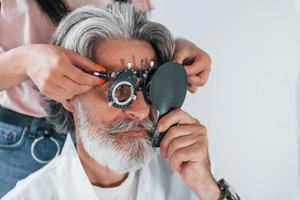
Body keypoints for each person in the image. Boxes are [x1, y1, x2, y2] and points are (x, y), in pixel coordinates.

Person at [2, 3, 240, 200]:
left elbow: (130, 38)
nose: (141, 110)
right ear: (68, 96)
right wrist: (22, 62)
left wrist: (210, 191)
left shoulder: (186, 173)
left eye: (148, 89)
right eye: (121, 91)